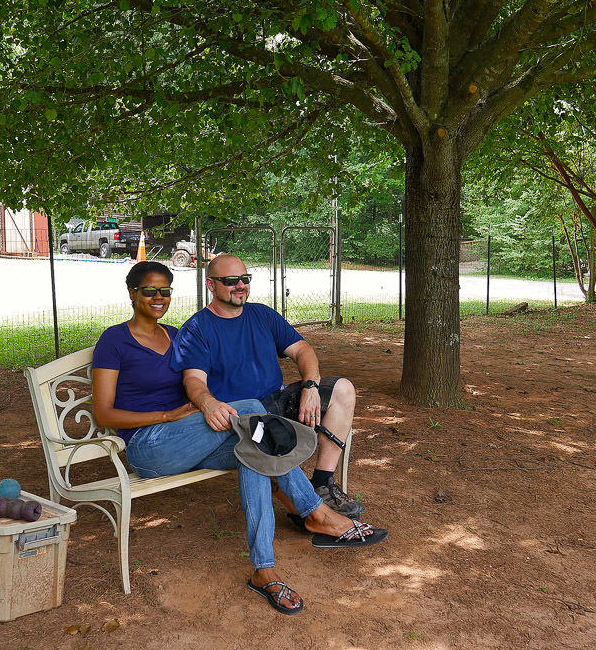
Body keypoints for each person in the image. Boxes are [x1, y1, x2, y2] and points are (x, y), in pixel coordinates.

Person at [91, 261, 386, 615]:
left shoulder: (175, 334)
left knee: (255, 450)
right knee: (249, 413)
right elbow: (104, 414)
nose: (158, 297)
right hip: (149, 446)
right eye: (149, 291)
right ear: (131, 294)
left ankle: (265, 570)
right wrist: (171, 414)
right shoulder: (115, 340)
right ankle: (316, 513)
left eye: (165, 290)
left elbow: (195, 378)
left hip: (192, 439)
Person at [171, 253, 365, 519]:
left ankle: (322, 483)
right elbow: (193, 380)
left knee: (343, 389)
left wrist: (310, 386)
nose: (240, 286)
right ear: (211, 285)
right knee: (264, 441)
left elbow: (302, 350)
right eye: (230, 280)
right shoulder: (196, 329)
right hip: (241, 418)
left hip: (278, 402)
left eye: (245, 279)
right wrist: (207, 402)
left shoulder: (261, 314)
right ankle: (309, 514)